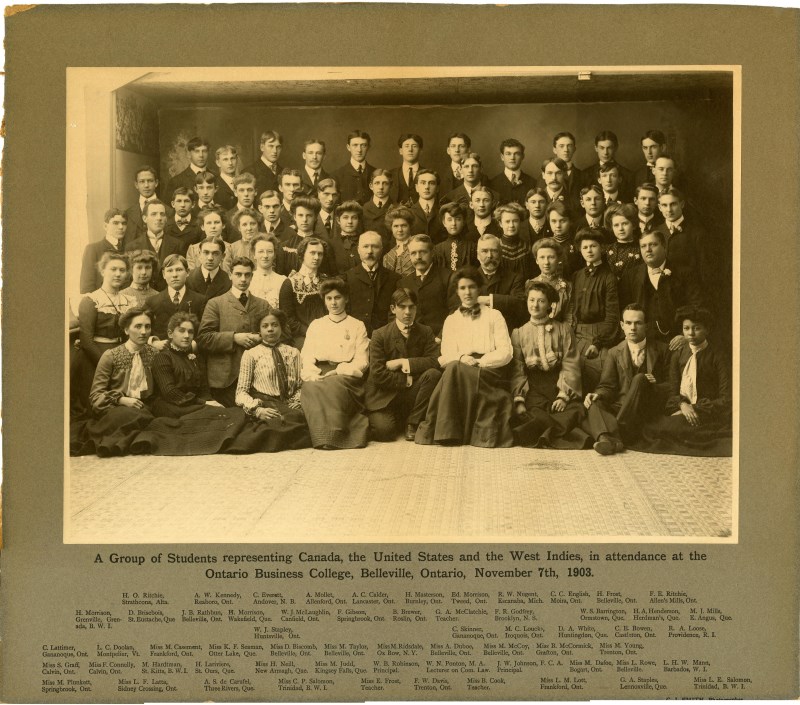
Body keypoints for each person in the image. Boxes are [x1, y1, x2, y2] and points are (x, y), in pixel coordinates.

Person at [415, 266, 515, 448]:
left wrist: (480, 361)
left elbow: (506, 352)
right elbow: (445, 355)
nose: (467, 292)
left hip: (489, 371)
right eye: (462, 288)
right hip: (460, 367)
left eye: (471, 287)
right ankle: (449, 431)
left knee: (452, 372)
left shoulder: (494, 315)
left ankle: (446, 432)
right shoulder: (452, 320)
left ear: (480, 289)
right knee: (453, 368)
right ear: (456, 291)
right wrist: (461, 358)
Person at [639, 306, 731, 456]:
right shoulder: (678, 355)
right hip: (682, 410)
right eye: (686, 328)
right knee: (650, 427)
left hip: (708, 413)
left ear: (707, 330)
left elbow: (726, 398)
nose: (691, 333)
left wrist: (695, 408)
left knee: (665, 429)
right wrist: (682, 405)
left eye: (697, 328)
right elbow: (673, 392)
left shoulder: (718, 355)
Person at [510, 281, 591, 449]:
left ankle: (547, 431)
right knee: (531, 414)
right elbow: (518, 370)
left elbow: (570, 363)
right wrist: (519, 399)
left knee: (575, 410)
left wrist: (563, 395)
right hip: (533, 388)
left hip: (558, 382)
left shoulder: (563, 329)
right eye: (531, 300)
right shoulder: (519, 333)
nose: (535, 305)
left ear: (550, 304)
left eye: (541, 301)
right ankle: (551, 430)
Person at [583, 304, 670, 450]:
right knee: (593, 402)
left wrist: (655, 384)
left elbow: (673, 384)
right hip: (621, 406)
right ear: (622, 325)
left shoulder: (662, 349)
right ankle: (606, 438)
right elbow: (607, 386)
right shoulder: (614, 352)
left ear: (646, 325)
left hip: (647, 408)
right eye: (628, 323)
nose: (633, 328)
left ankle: (615, 433)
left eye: (638, 323)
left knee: (640, 378)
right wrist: (597, 394)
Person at [71, 308, 157, 457]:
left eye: (147, 326)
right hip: (117, 409)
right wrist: (121, 399)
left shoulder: (155, 354)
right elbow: (96, 397)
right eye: (138, 326)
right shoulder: (111, 356)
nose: (143, 332)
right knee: (129, 416)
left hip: (145, 407)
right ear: (126, 330)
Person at [300, 277, 370, 449]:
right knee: (310, 387)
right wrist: (312, 372)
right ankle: (321, 438)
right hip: (320, 371)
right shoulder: (316, 325)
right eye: (329, 298)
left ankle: (338, 436)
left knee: (333, 385)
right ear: (324, 301)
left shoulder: (357, 325)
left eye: (337, 298)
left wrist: (340, 370)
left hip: (347, 375)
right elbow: (307, 354)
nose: (333, 303)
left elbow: (362, 360)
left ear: (346, 298)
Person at [364, 288, 442, 441]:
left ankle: (412, 422)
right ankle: (394, 420)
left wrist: (403, 362)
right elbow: (378, 374)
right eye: (402, 307)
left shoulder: (425, 331)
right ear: (393, 309)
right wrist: (406, 380)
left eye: (412, 307)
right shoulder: (380, 334)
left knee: (433, 374)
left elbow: (434, 361)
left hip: (413, 395)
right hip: (385, 396)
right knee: (384, 432)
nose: (407, 312)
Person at [197, 256, 273, 406]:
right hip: (225, 380)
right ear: (230, 275)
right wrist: (234, 338)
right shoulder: (215, 303)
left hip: (257, 377)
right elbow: (204, 338)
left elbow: (278, 332)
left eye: (247, 274)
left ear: (252, 276)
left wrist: (260, 337)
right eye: (238, 274)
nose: (243, 279)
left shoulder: (263, 305)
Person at [232, 309, 312, 452]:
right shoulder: (251, 354)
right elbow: (241, 393)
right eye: (265, 326)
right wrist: (257, 410)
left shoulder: (293, 352)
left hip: (289, 403)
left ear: (281, 327)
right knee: (274, 424)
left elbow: (302, 384)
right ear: (259, 330)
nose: (270, 329)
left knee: (303, 421)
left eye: (275, 325)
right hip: (265, 402)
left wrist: (297, 400)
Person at [618, 230, 703, 348]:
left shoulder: (685, 273)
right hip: (643, 342)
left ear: (664, 246)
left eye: (653, 244)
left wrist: (685, 335)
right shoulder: (630, 276)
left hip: (676, 340)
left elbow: (697, 305)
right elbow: (623, 310)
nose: (648, 249)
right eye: (643, 246)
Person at [566, 227, 620, 392]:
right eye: (585, 247)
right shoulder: (577, 275)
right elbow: (573, 307)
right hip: (577, 332)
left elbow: (612, 316)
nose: (589, 250)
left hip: (600, 333)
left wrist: (597, 343)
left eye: (593, 246)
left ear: (602, 248)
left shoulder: (609, 278)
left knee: (597, 369)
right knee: (569, 367)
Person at [77, 252, 134, 408]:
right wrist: (107, 364)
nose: (118, 274)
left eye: (122, 270)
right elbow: (86, 341)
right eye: (113, 269)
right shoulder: (91, 300)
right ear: (103, 271)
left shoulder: (129, 301)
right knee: (101, 404)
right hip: (95, 355)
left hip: (122, 354)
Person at [150, 312, 220, 418]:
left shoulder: (196, 358)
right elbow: (169, 392)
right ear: (170, 333)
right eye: (181, 331)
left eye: (190, 332)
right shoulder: (163, 358)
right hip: (171, 406)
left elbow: (204, 388)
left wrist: (210, 401)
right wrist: (203, 403)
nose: (187, 336)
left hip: (193, 405)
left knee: (222, 413)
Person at [344, 231, 400, 336]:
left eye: (375, 247)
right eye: (365, 246)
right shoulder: (347, 277)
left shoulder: (394, 279)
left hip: (384, 336)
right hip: (354, 335)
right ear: (358, 250)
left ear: (382, 250)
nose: (370, 251)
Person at [278, 236, 329, 348]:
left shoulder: (326, 282)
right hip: (300, 336)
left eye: (320, 254)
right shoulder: (290, 283)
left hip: (327, 333)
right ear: (302, 254)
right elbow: (287, 318)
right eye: (312, 253)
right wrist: (310, 332)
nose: (316, 257)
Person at [398, 234, 452, 338]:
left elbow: (455, 311)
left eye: (422, 252)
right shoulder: (403, 283)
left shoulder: (448, 277)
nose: (418, 257)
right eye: (413, 253)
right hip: (412, 341)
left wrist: (441, 337)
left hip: (442, 339)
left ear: (432, 253)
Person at [145, 254, 208, 341]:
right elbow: (144, 329)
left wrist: (194, 344)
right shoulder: (152, 302)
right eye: (170, 271)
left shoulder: (200, 300)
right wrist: (153, 342)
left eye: (179, 270)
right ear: (163, 274)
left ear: (188, 272)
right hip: (161, 352)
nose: (174, 275)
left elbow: (205, 332)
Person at [125, 199, 184, 290]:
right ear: (145, 218)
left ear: (166, 219)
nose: (159, 218)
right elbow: (128, 278)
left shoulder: (178, 245)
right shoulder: (132, 247)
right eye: (154, 214)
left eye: (162, 214)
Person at [80, 208, 128, 293]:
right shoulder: (93, 249)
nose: (121, 227)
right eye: (115, 223)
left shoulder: (129, 249)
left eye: (124, 223)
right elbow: (87, 287)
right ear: (105, 226)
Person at [529, 238, 571, 321]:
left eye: (551, 257)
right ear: (537, 260)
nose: (546, 262)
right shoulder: (530, 284)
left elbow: (569, 317)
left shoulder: (567, 286)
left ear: (558, 259)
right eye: (542, 257)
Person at [488, 138, 537, 206]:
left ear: (522, 156)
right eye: (508, 154)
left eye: (516, 154)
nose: (512, 158)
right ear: (502, 157)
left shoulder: (533, 183)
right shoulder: (492, 184)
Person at [494, 202, 536, 280]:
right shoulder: (496, 248)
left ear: (520, 222)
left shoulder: (527, 248)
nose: (511, 225)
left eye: (515, 221)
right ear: (500, 223)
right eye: (507, 221)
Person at [432, 201, 477, 272]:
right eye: (449, 220)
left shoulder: (472, 247)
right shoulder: (437, 249)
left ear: (463, 222)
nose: (453, 223)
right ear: (444, 223)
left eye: (458, 219)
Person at [332, 130, 374, 203]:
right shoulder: (336, 175)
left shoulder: (376, 173)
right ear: (348, 147)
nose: (359, 150)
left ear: (368, 147)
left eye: (363, 145)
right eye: (355, 145)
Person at [604, 202, 643, 280]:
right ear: (612, 227)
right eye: (616, 225)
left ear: (634, 225)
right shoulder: (607, 250)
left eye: (625, 224)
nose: (620, 229)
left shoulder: (641, 248)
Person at [186, 207, 232, 272]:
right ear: (202, 227)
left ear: (223, 225)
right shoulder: (193, 249)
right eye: (209, 223)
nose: (213, 226)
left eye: (216, 222)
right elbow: (191, 275)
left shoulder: (231, 248)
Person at [248, 234, 286, 308]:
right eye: (261, 251)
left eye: (269, 251)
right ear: (254, 254)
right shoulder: (247, 279)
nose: (265, 255)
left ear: (274, 255)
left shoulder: (282, 280)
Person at [123, 165, 160, 241]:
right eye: (142, 181)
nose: (146, 185)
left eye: (150, 181)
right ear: (136, 185)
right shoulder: (127, 213)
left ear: (156, 183)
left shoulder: (168, 211)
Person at [408, 169, 446, 243]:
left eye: (431, 183)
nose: (427, 187)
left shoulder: (444, 211)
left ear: (437, 188)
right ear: (416, 187)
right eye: (423, 183)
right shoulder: (408, 212)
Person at [545, 200, 582, 276]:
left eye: (562, 221)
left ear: (570, 221)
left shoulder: (577, 245)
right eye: (554, 221)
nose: (558, 225)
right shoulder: (545, 245)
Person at [243, 130, 284, 195]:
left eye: (278, 147)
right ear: (262, 147)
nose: (275, 151)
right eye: (271, 146)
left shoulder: (284, 172)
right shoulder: (249, 172)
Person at [329, 200, 364, 274]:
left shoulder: (365, 242)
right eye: (345, 217)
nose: (350, 221)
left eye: (354, 218)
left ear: (359, 220)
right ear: (338, 220)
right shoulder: (331, 244)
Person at [388, 133, 424, 205]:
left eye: (414, 146)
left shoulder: (428, 174)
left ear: (420, 151)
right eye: (406, 146)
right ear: (400, 151)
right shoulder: (390, 174)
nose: (410, 150)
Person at [382, 204, 415, 277]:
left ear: (410, 226)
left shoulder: (418, 248)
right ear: (391, 228)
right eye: (396, 226)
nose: (400, 230)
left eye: (403, 225)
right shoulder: (387, 257)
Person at [165, 186, 202, 251]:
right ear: (173, 204)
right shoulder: (165, 225)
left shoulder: (200, 225)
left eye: (186, 201)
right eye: (179, 201)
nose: (182, 205)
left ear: (193, 204)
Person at [362, 169, 393, 244]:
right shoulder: (363, 209)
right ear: (371, 186)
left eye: (385, 183)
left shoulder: (397, 208)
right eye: (377, 183)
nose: (381, 187)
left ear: (391, 186)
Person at [225, 173, 259, 241]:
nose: (246, 194)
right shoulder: (227, 217)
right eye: (241, 190)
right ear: (235, 192)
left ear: (255, 192)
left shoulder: (261, 216)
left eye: (249, 190)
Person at [214, 145, 239, 210]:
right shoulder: (214, 185)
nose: (230, 163)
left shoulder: (242, 182)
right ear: (218, 163)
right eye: (225, 159)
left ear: (237, 160)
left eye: (232, 158)